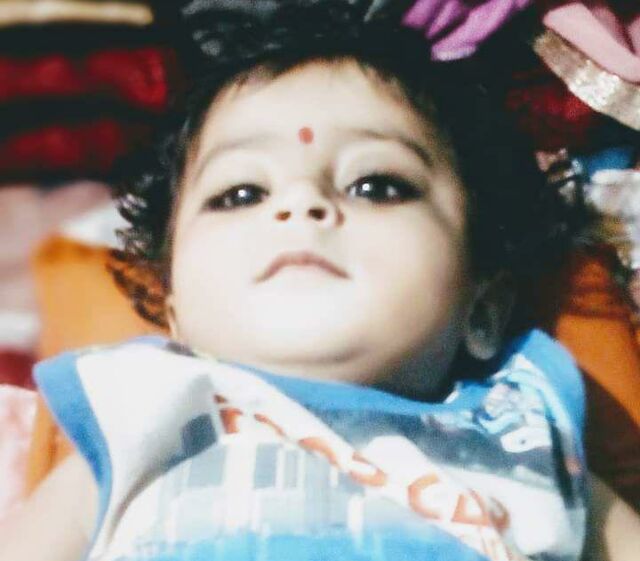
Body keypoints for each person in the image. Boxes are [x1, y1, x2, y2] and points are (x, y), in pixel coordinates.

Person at [1, 2, 639, 560]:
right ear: (175, 315)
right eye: (240, 193)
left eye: (377, 186)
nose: (300, 204)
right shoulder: (141, 415)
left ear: (485, 310)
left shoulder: (529, 431)